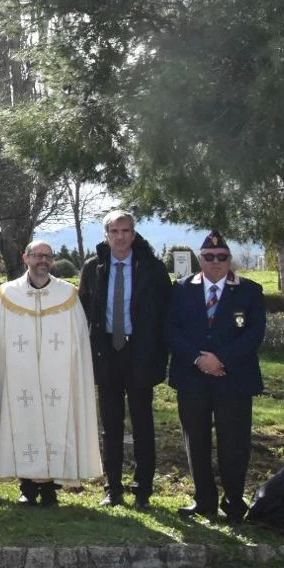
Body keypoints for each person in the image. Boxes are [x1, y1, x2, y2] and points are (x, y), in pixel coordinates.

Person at [0, 239, 101, 506]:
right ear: (26, 258)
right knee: (22, 421)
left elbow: (80, 340)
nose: (42, 261)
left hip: (57, 375)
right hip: (18, 374)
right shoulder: (8, 294)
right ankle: (27, 487)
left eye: (47, 256)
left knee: (56, 421)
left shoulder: (67, 295)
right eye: (37, 256)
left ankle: (50, 490)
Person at [165, 230, 267, 524]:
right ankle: (204, 501)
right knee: (195, 440)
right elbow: (171, 330)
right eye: (209, 257)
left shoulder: (249, 290)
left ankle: (234, 502)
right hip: (192, 378)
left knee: (234, 443)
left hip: (233, 378)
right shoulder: (182, 289)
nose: (215, 262)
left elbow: (254, 334)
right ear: (200, 259)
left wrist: (220, 360)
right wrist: (199, 359)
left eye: (222, 257)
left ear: (229, 259)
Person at [77, 210, 172, 508]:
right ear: (106, 235)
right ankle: (113, 488)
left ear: (133, 234)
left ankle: (143, 490)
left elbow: (166, 315)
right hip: (107, 355)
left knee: (143, 424)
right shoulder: (93, 268)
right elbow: (84, 311)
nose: (120, 237)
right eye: (114, 231)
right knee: (111, 425)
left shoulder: (153, 269)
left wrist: (159, 357)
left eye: (125, 231)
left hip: (140, 354)